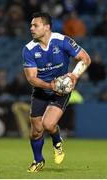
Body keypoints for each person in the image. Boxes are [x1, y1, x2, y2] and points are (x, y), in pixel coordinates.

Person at [22, 12, 91, 172]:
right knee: (36, 131)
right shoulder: (29, 49)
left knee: (48, 124)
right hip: (41, 90)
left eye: (35, 25)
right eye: (31, 25)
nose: (31, 28)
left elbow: (85, 58)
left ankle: (57, 140)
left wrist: (74, 75)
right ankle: (38, 160)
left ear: (47, 27)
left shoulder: (63, 41)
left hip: (61, 89)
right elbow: (32, 79)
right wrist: (49, 86)